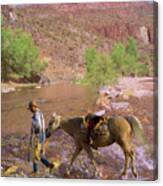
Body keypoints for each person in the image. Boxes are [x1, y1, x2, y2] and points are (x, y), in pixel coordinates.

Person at [27, 100, 54, 175]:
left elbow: (38, 126)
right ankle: (49, 165)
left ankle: (36, 171)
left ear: (33, 107)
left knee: (36, 155)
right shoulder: (40, 113)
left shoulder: (36, 115)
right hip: (43, 135)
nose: (30, 110)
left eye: (30, 108)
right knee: (40, 153)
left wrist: (33, 134)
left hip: (39, 136)